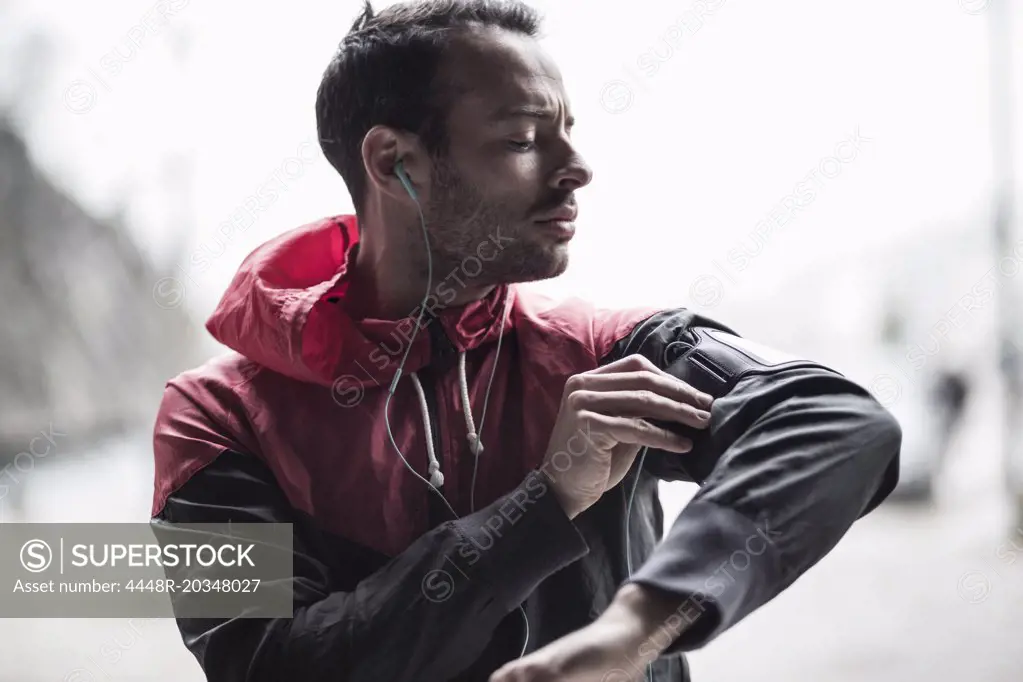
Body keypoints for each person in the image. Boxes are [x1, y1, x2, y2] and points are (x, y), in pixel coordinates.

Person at [150, 1, 902, 680]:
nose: (575, 169)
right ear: (393, 162)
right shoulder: (214, 419)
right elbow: (270, 667)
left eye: (566, 133)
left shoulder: (605, 347)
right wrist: (541, 507)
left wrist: (632, 630)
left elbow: (836, 423)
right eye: (521, 139)